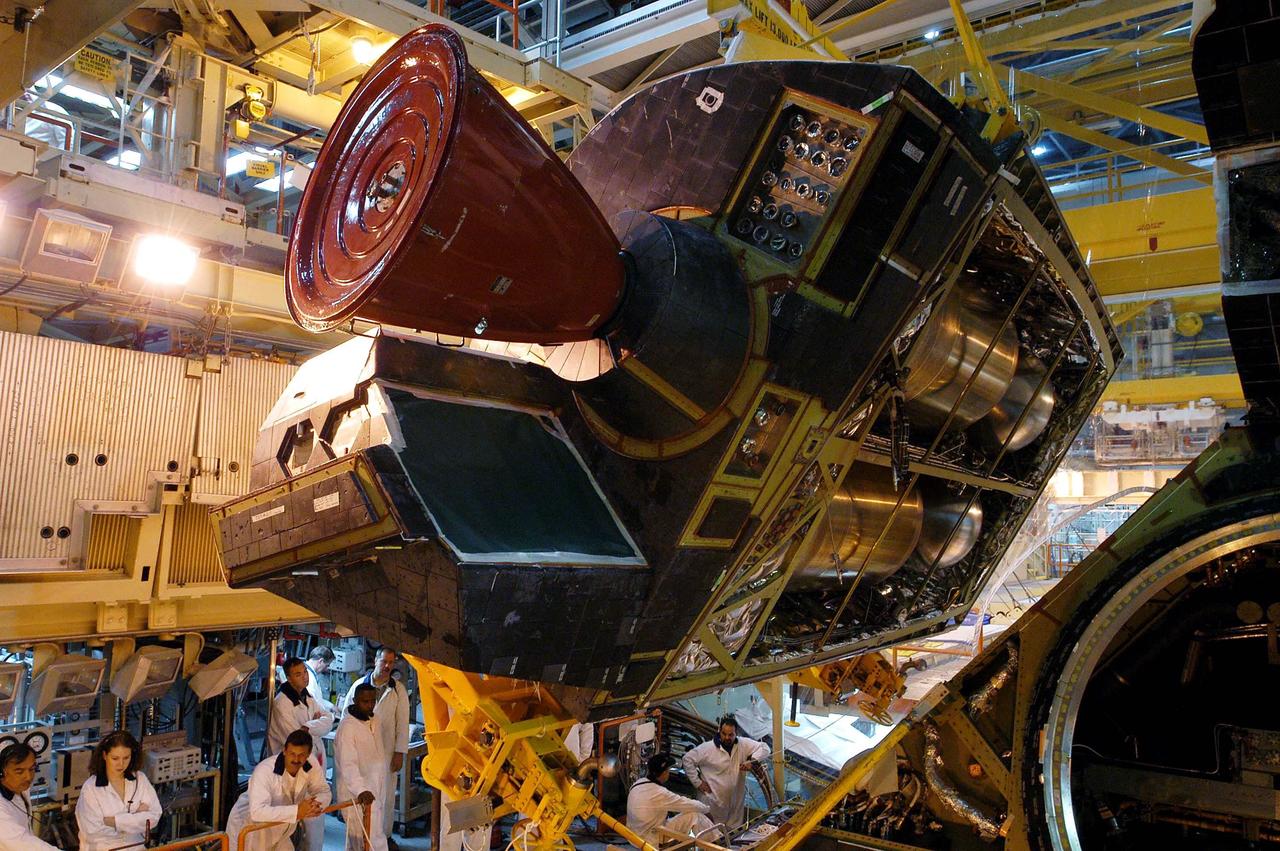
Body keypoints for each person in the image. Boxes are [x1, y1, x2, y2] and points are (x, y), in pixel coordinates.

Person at [341, 647, 409, 849]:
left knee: (385, 796)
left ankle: (385, 835)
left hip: (386, 752)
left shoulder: (398, 690)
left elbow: (403, 723)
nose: (388, 666)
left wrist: (400, 752)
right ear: (376, 660)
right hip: (361, 752)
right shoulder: (358, 685)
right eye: (384, 661)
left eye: (391, 662)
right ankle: (360, 838)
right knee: (361, 797)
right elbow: (346, 714)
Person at [226, 729, 331, 851]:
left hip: (280, 830)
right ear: (284, 751)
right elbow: (257, 812)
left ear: (308, 755)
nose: (296, 759)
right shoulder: (264, 771)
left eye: (301, 755)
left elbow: (323, 790)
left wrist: (314, 805)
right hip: (251, 829)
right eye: (292, 753)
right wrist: (297, 811)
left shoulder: (311, 764)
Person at [75, 731, 162, 850]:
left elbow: (155, 816)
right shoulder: (90, 788)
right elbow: (92, 831)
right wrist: (136, 818)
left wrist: (114, 821)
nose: (121, 764)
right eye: (115, 758)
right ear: (104, 755)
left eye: (126, 758)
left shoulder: (140, 779)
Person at [681, 716, 769, 831]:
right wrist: (697, 783)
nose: (727, 737)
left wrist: (752, 760)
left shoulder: (743, 745)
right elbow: (687, 759)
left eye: (731, 735)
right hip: (712, 801)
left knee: (733, 834)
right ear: (719, 731)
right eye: (724, 734)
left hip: (735, 803)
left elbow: (765, 748)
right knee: (710, 834)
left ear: (736, 733)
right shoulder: (707, 748)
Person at [627, 753, 720, 847]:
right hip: (650, 840)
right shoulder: (659, 793)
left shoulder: (638, 783)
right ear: (664, 773)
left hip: (634, 837)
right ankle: (717, 844)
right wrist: (706, 810)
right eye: (668, 770)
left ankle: (715, 840)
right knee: (695, 816)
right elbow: (687, 804)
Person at [335, 683, 387, 851]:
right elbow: (348, 765)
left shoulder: (375, 720)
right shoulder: (347, 728)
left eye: (373, 701)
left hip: (376, 788)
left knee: (371, 837)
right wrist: (361, 790)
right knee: (367, 840)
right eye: (365, 701)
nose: (370, 705)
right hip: (358, 794)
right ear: (355, 700)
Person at [269, 657, 334, 768]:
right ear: (289, 679)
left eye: (305, 671)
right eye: (298, 675)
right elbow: (296, 740)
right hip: (292, 765)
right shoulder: (282, 704)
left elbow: (329, 720)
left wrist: (308, 727)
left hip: (313, 758)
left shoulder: (308, 697)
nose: (305, 677)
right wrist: (317, 727)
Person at [0, 742, 58, 850]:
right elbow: (22, 844)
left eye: (31, 769)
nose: (28, 777)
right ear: (2, 772)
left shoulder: (21, 787)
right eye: (19, 771)